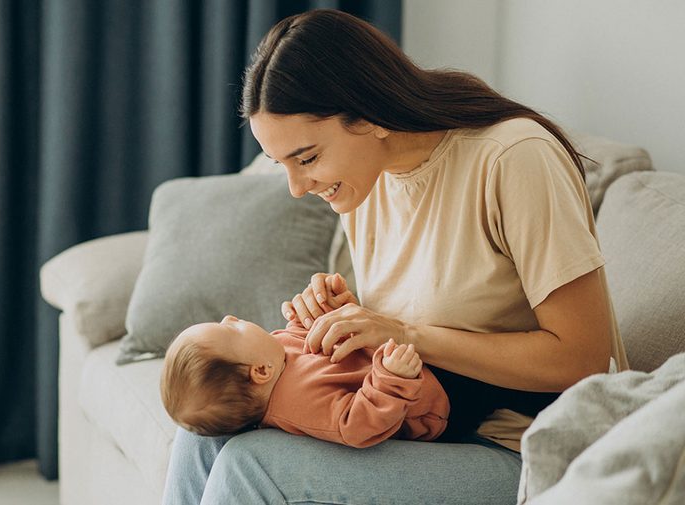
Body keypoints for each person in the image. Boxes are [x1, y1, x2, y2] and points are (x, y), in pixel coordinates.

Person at [163, 8, 628, 505]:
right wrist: (346, 317)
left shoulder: (513, 158)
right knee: (202, 433)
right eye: (284, 166)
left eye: (307, 159)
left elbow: (583, 359)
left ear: (368, 116)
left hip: (527, 451)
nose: (297, 188)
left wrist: (404, 335)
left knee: (249, 466)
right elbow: (428, 321)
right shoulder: (368, 182)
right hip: (426, 430)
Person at [160, 274, 451, 448]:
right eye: (230, 328)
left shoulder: (275, 354)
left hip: (400, 356)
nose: (231, 317)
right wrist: (391, 379)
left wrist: (323, 307)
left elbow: (307, 339)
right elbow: (357, 424)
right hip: (429, 401)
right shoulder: (300, 404)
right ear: (260, 371)